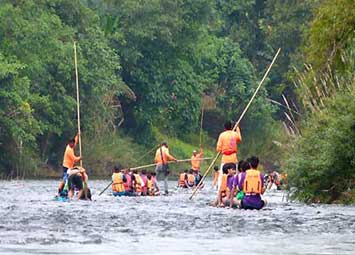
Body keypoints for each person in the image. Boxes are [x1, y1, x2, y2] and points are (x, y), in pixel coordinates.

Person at [216, 121, 241, 193]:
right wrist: (237, 128)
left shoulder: (222, 135)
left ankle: (220, 192)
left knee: (222, 177)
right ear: (231, 126)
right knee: (234, 176)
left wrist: (223, 149)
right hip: (233, 159)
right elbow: (239, 139)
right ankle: (234, 192)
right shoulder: (235, 134)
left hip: (225, 159)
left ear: (224, 128)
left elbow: (218, 149)